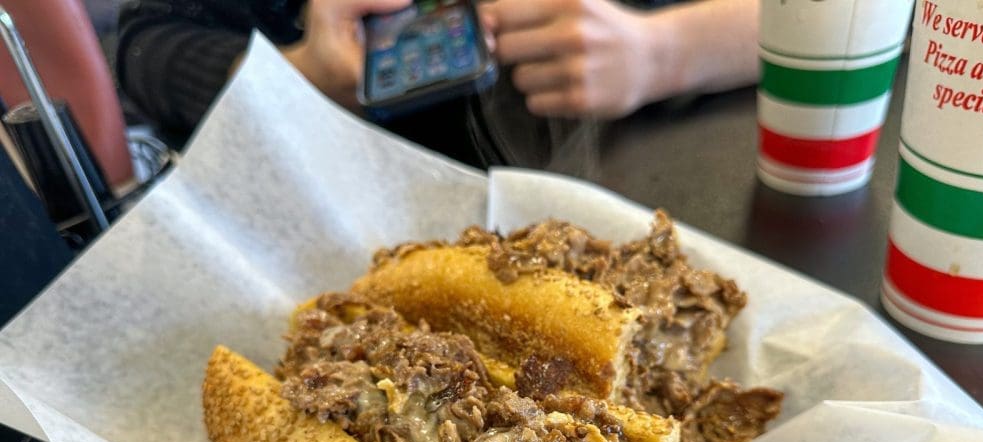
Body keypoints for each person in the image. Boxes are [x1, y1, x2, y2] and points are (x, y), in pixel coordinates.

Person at [117, 0, 758, 164]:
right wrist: (299, 78)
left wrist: (665, 50)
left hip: (670, 161)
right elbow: (149, 46)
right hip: (367, 195)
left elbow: (846, 19)